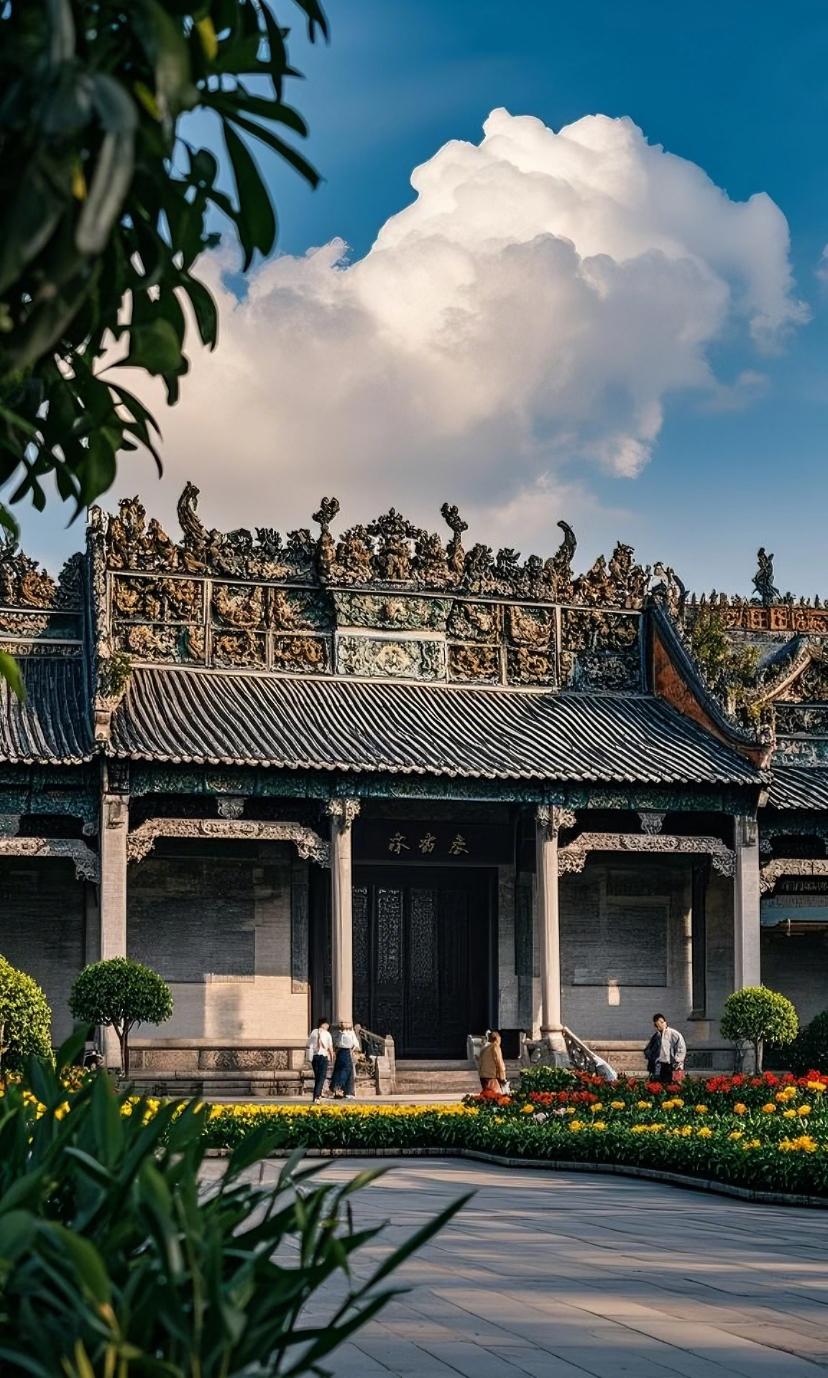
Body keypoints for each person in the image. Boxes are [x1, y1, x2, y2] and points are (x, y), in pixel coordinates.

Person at [644, 1013, 686, 1083]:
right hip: (659, 1064)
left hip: (671, 1064)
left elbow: (681, 1047)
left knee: (671, 1082)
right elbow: (649, 1049)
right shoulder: (656, 1036)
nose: (657, 1027)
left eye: (659, 1024)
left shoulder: (673, 1033)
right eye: (656, 1025)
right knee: (658, 1082)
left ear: (663, 1022)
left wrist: (677, 1060)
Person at [306, 1018, 334, 1103]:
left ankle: (316, 1095)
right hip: (323, 1057)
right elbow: (330, 1048)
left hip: (315, 1057)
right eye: (327, 1024)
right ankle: (317, 1096)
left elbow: (308, 1044)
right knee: (321, 1077)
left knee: (317, 1077)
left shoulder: (314, 1032)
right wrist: (332, 1058)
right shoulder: (327, 1034)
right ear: (324, 1024)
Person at [329, 1024, 360, 1099]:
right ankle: (339, 1087)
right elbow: (355, 1044)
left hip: (341, 1052)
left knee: (341, 1070)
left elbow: (336, 1043)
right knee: (345, 1070)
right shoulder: (347, 1034)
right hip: (345, 1052)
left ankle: (342, 1089)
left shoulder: (340, 1034)